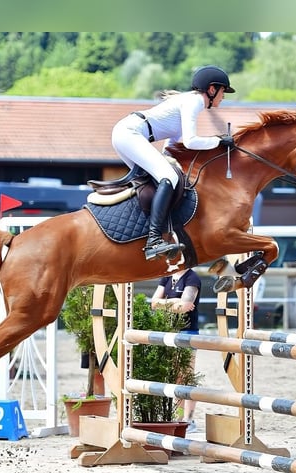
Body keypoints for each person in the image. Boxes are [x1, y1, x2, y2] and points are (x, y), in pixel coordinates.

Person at [112, 65, 236, 260]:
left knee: (155, 181)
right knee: (168, 177)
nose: (224, 96)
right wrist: (219, 141)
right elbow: (190, 141)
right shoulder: (195, 101)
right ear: (212, 89)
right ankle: (153, 240)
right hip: (130, 134)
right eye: (223, 91)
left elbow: (172, 147)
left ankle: (141, 232)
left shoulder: (188, 102)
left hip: (126, 133)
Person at [150, 267, 202, 432]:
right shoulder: (166, 277)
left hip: (187, 331)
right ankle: (178, 418)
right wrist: (174, 302)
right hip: (169, 331)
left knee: (186, 374)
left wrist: (165, 302)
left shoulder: (192, 278)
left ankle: (189, 419)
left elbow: (185, 306)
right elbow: (153, 303)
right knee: (175, 376)